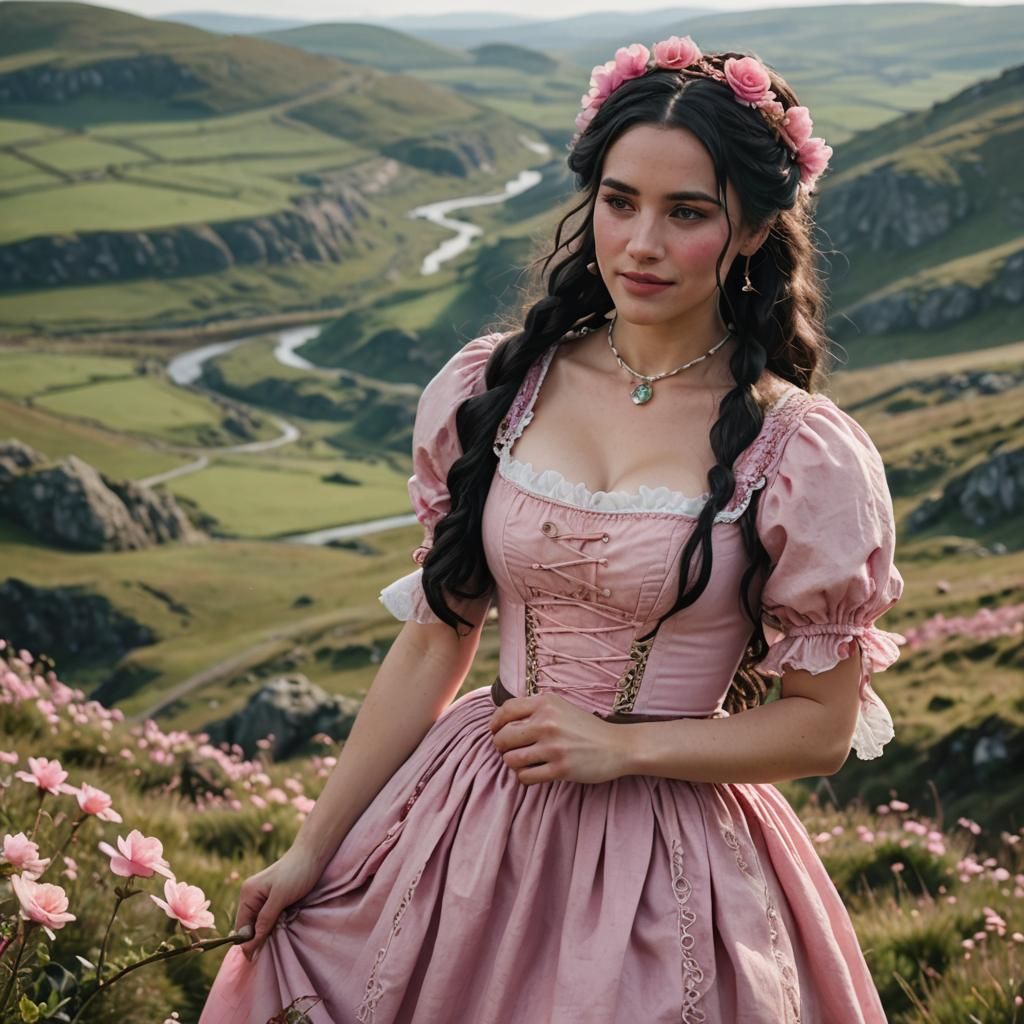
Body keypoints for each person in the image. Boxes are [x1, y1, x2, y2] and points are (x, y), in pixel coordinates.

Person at [199, 35, 905, 1024]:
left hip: (667, 855)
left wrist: (625, 749)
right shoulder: (497, 387)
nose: (641, 244)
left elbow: (822, 729)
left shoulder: (803, 453)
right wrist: (311, 846)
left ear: (749, 230)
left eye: (687, 212)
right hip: (463, 824)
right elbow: (438, 633)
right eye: (620, 202)